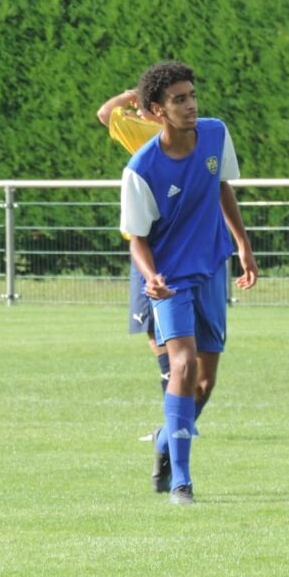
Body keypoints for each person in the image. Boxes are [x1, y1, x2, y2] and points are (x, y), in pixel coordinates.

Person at [120, 61, 258, 505]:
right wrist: (152, 278)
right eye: (179, 100)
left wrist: (242, 244)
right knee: (181, 367)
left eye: (192, 95)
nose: (191, 105)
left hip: (212, 268)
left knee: (203, 383)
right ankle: (181, 481)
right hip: (170, 280)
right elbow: (137, 240)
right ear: (157, 111)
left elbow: (221, 187)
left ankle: (166, 437)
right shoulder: (141, 169)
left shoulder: (216, 134)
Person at [97, 90, 170, 393]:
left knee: (152, 321)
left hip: (149, 243)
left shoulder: (145, 132)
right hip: (179, 237)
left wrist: (129, 96)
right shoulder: (192, 134)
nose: (137, 114)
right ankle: (178, 382)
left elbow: (104, 113)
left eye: (141, 109)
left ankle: (173, 383)